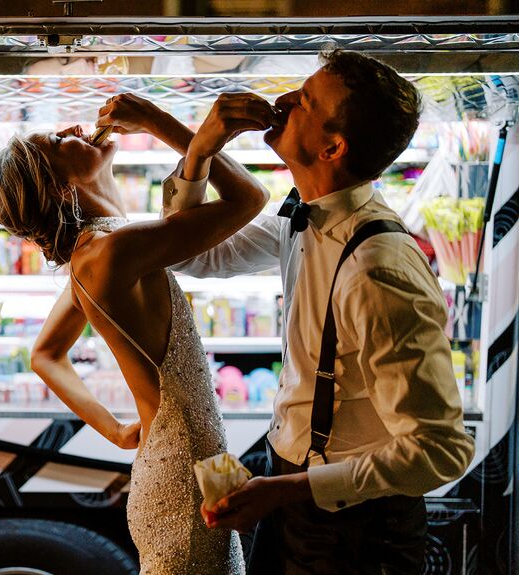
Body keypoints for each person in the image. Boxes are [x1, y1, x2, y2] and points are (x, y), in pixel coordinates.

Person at [160, 49, 476, 574]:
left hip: (358, 533)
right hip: (294, 495)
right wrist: (199, 153)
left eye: (304, 102)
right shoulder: (304, 217)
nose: (282, 102)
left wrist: (291, 489)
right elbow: (195, 253)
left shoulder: (379, 269)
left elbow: (440, 449)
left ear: (333, 146)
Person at [0, 92, 278, 573]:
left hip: (188, 464)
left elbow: (45, 354)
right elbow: (251, 198)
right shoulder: (111, 252)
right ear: (61, 188)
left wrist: (120, 431)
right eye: (59, 140)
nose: (76, 129)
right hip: (185, 479)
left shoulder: (95, 253)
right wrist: (157, 121)